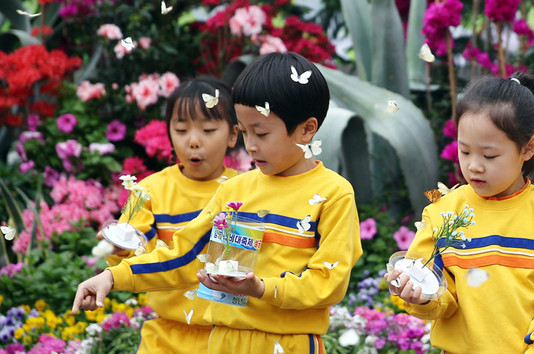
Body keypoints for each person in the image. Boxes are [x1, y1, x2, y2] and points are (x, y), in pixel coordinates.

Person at [72, 52, 363, 353]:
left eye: (261, 133)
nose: (250, 145)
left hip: (289, 344)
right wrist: (111, 275)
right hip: (220, 342)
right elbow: (185, 255)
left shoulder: (334, 194)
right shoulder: (230, 191)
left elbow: (328, 282)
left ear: (307, 129)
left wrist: (261, 288)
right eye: (246, 132)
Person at [385, 72, 534, 353]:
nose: (474, 166)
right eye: (465, 152)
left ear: (528, 148)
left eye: (489, 156)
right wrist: (419, 296)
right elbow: (439, 294)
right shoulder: (442, 212)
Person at [96, 76, 240, 353]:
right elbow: (137, 248)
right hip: (165, 338)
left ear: (233, 134)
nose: (193, 142)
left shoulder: (244, 192)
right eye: (182, 129)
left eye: (208, 130)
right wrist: (118, 244)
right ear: (169, 132)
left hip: (228, 337)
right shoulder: (150, 189)